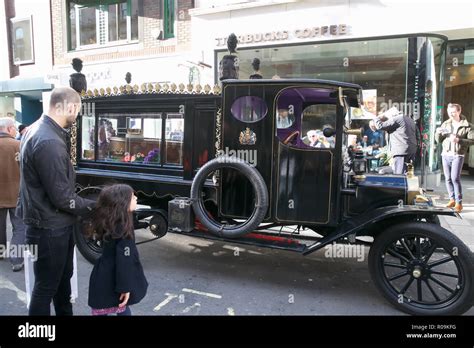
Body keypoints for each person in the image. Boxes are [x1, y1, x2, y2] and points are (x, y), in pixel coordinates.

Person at [16, 87, 96, 316]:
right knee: (46, 289)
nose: (77, 116)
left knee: (61, 285)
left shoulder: (36, 131)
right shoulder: (48, 140)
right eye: (77, 111)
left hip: (49, 225)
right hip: (50, 229)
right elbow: (62, 198)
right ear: (69, 107)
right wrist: (95, 205)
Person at [88, 184, 148, 316]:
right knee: (122, 309)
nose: (136, 198)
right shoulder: (123, 229)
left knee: (103, 310)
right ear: (123, 203)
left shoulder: (109, 221)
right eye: (132, 197)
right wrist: (125, 288)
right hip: (115, 281)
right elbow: (124, 261)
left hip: (102, 278)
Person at [435, 103, 474, 213]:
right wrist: (438, 133)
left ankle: (459, 203)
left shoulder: (468, 126)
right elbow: (438, 141)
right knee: (447, 178)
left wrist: (459, 140)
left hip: (458, 155)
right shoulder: (446, 124)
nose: (451, 114)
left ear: (459, 111)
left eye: (453, 112)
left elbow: (472, 140)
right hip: (446, 154)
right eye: (449, 112)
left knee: (455, 178)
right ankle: (452, 199)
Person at [0, 118, 26, 271]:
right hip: (17, 195)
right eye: (14, 129)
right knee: (19, 228)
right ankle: (16, 260)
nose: (16, 131)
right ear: (9, 129)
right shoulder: (18, 145)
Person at [370, 106, 417, 175]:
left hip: (401, 152)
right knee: (408, 175)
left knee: (399, 174)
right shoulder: (409, 120)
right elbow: (417, 135)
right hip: (411, 151)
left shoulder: (397, 119)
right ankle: (408, 185)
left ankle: (401, 185)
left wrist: (376, 117)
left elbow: (380, 126)